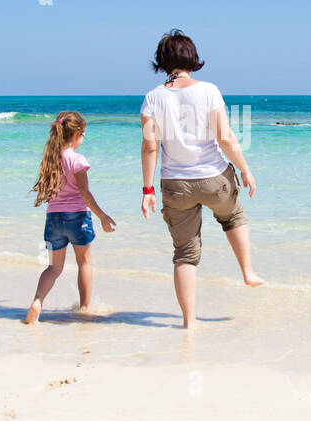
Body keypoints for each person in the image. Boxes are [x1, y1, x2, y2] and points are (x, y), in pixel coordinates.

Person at [140, 30, 262, 329]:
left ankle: (189, 321)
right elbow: (225, 137)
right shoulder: (208, 90)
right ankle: (247, 271)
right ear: (192, 58)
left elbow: (150, 146)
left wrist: (147, 189)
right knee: (233, 216)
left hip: (175, 184)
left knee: (184, 255)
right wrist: (245, 169)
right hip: (213, 179)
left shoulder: (152, 98)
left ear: (162, 61)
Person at [25, 111, 115, 325]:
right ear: (77, 135)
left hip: (53, 219)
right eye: (83, 134)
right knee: (84, 262)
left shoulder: (51, 159)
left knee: (54, 268)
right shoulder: (77, 160)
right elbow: (85, 193)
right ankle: (84, 308)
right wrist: (102, 216)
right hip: (78, 218)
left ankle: (37, 301)